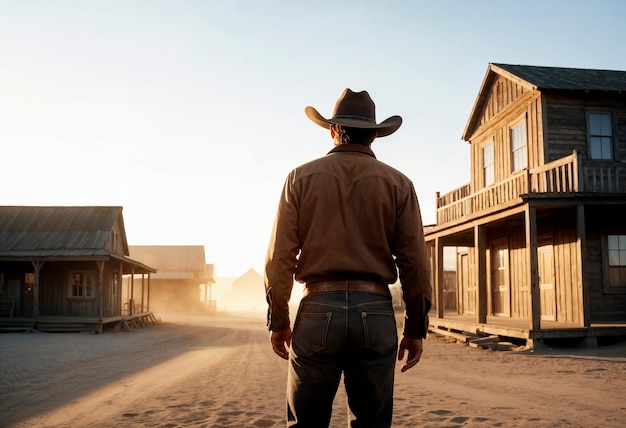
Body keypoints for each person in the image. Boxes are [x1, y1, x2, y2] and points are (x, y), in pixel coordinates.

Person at [264, 88, 432, 428]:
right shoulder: (399, 183)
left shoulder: (299, 178)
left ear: (332, 130)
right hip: (375, 312)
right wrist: (416, 326)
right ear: (374, 135)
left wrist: (279, 319)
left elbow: (279, 257)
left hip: (317, 308)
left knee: (305, 424)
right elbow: (414, 260)